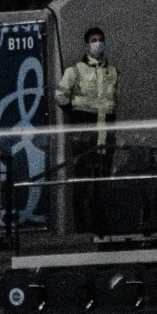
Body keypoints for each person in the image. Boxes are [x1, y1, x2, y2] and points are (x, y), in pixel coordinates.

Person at [56, 26, 119, 232]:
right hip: (85, 137)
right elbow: (60, 96)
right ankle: (82, 230)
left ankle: (101, 227)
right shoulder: (75, 71)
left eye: (100, 39)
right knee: (82, 185)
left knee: (103, 185)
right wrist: (75, 115)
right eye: (93, 40)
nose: (98, 43)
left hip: (106, 136)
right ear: (86, 45)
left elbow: (112, 102)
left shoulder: (112, 72)